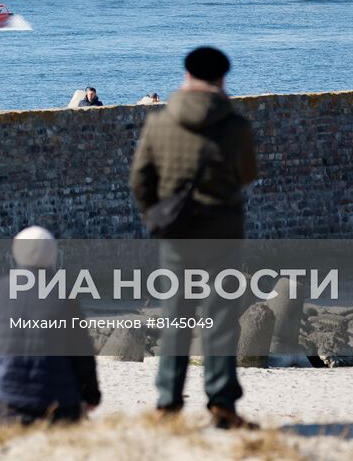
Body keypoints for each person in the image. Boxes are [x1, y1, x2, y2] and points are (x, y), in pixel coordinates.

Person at [129, 46, 259, 430]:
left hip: (177, 234)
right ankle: (221, 405)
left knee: (176, 317)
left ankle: (167, 403)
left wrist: (155, 216)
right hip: (222, 233)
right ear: (222, 79)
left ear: (187, 76)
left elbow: (140, 180)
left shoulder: (159, 123)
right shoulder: (236, 127)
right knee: (222, 319)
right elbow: (247, 174)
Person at [0, 227, 100, 424]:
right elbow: (82, 353)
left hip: (8, 400)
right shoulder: (64, 295)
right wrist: (91, 395)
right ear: (52, 254)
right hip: (59, 402)